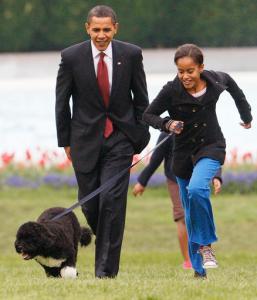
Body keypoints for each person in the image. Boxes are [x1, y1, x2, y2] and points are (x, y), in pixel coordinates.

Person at [55, 5, 150, 278]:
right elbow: (62, 103)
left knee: (111, 200)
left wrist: (139, 137)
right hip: (83, 140)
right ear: (87, 28)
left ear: (115, 28)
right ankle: (107, 237)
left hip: (120, 139)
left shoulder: (131, 55)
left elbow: (141, 99)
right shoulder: (71, 57)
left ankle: (105, 273)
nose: (101, 35)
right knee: (91, 205)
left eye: (106, 29)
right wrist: (66, 142)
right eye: (96, 29)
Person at [143, 44, 252, 278]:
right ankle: (199, 271)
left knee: (196, 190)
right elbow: (148, 115)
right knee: (190, 212)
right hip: (182, 156)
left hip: (211, 146)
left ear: (201, 68)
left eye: (190, 71)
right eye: (181, 71)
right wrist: (167, 124)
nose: (185, 76)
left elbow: (233, 85)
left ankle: (206, 246)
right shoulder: (171, 90)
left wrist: (246, 116)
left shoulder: (214, 81)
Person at [132, 132, 222, 270]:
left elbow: (212, 154)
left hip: (197, 179)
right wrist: (142, 181)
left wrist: (217, 176)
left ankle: (204, 253)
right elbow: (156, 159)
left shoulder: (203, 126)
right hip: (175, 179)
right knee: (182, 217)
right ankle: (188, 261)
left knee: (197, 215)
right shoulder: (168, 132)